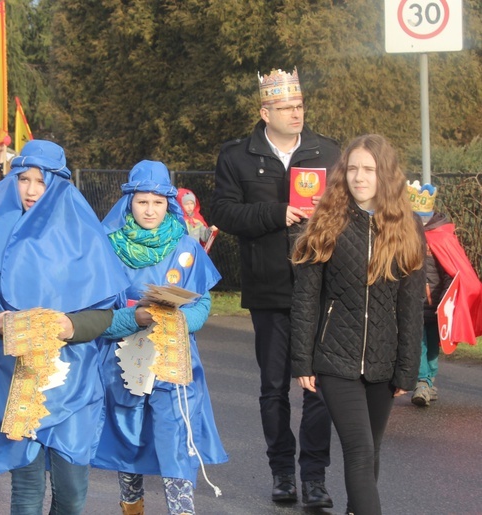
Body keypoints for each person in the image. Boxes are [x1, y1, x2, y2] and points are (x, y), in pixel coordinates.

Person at [0, 140, 129, 514]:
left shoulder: (86, 237)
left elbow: (105, 314)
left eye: (41, 181)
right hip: (15, 381)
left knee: (72, 493)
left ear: (59, 185)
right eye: (23, 179)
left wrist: (69, 325)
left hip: (73, 381)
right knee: (27, 491)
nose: (31, 190)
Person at [211, 67, 340, 506]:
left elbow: (354, 212)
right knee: (273, 387)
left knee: (319, 386)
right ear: (265, 112)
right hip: (268, 287)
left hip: (321, 286)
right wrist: (275, 213)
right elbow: (224, 214)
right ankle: (282, 471)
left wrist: (332, 211)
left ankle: (315, 476)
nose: (296, 114)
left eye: (300, 106)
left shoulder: (328, 151)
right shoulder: (237, 157)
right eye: (287, 108)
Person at [290, 134, 426, 515]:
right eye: (352, 169)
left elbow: (410, 308)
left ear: (385, 175)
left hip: (383, 362)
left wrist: (407, 370)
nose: (359, 177)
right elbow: (305, 297)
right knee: (360, 449)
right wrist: (302, 360)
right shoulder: (327, 221)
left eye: (368, 169)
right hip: (335, 358)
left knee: (371, 451)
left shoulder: (408, 228)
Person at [93, 161, 228, 515]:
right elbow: (97, 316)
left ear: (168, 203)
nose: (150, 210)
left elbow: (202, 302)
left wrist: (179, 320)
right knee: (129, 436)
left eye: (157, 202)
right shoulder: (107, 248)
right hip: (124, 360)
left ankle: (182, 511)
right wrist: (131, 318)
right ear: (129, 203)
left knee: (176, 437)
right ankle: (131, 504)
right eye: (142, 202)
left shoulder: (186, 246)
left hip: (173, 360)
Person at [406, 182, 482, 407]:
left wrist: (448, 299)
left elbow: (453, 271)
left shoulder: (442, 235)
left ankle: (428, 379)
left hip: (437, 305)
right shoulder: (405, 236)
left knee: (433, 343)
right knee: (417, 342)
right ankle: (422, 381)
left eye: (421, 219)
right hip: (413, 303)